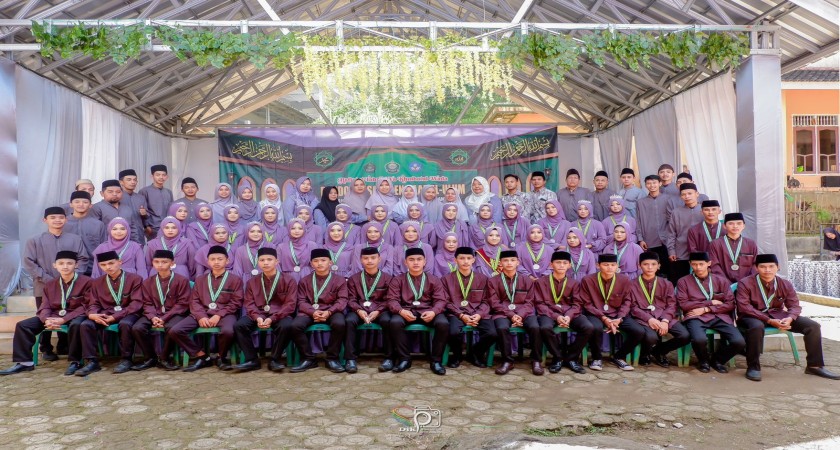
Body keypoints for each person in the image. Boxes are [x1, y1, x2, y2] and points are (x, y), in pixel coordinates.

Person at [736, 254, 840, 381]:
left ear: (778, 267)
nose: (767, 270)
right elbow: (744, 307)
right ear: (756, 268)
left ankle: (814, 366)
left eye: (771, 266)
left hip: (777, 315)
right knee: (756, 327)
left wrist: (790, 318)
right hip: (752, 316)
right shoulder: (745, 283)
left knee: (813, 326)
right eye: (763, 267)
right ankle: (753, 367)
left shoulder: (785, 284)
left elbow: (794, 305)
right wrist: (769, 320)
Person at [0, 251, 91, 376]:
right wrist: (46, 319)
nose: (65, 266)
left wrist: (64, 319)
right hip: (53, 316)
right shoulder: (50, 284)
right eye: (61, 263)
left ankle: (75, 361)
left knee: (76, 324)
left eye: (69, 263)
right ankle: (25, 363)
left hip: (75, 315)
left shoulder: (87, 282)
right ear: (55, 265)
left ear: (76, 265)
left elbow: (86, 306)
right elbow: (45, 306)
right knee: (23, 325)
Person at [23, 206, 89, 361]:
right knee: (44, 315)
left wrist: (73, 278)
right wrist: (48, 279)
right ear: (45, 220)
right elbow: (29, 262)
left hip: (71, 286)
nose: (57, 220)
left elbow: (83, 259)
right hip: (43, 285)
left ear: (66, 219)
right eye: (53, 217)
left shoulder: (75, 239)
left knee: (66, 311)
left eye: (61, 217)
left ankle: (63, 345)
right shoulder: (35, 240)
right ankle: (46, 348)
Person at [170, 245, 244, 372]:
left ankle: (221, 357)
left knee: (228, 331)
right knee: (175, 330)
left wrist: (219, 315)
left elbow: (236, 302)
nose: (216, 262)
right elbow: (194, 301)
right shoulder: (200, 280)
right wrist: (201, 316)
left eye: (220, 259)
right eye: (213, 259)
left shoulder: (235, 280)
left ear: (227, 261)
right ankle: (202, 357)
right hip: (202, 313)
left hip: (225, 314)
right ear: (208, 261)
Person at [676, 252, 745, 374]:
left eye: (701, 264)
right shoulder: (683, 281)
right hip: (695, 317)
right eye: (694, 264)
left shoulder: (721, 281)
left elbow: (730, 304)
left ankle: (717, 360)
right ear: (690, 264)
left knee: (739, 342)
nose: (698, 267)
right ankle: (704, 361)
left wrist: (707, 309)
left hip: (720, 316)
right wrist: (711, 302)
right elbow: (683, 305)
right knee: (699, 339)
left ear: (709, 263)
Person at [231, 247, 298, 373]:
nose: (265, 263)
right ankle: (252, 360)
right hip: (258, 314)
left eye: (269, 259)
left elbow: (290, 304)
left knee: (287, 326)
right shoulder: (252, 282)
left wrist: (272, 318)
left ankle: (274, 359)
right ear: (258, 262)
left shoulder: (289, 280)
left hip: (279, 315)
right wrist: (258, 317)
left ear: (277, 261)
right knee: (239, 325)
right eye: (262, 260)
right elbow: (249, 303)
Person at [79, 250, 144, 376]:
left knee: (125, 324)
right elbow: (93, 303)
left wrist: (115, 317)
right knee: (86, 324)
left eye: (111, 263)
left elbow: (136, 303)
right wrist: (93, 314)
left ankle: (126, 359)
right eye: (103, 265)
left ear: (120, 262)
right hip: (105, 313)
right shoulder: (97, 282)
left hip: (129, 313)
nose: (108, 267)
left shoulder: (135, 279)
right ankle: (92, 361)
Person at [387, 248, 449, 375]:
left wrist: (433, 312)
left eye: (419, 259)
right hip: (407, 311)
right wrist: (401, 311)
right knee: (395, 322)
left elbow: (441, 300)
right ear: (405, 262)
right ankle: (404, 359)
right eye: (411, 260)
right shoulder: (398, 280)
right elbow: (392, 300)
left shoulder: (434, 280)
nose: (415, 262)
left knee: (443, 323)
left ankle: (436, 361)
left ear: (424, 261)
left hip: (428, 311)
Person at [577, 254, 641, 371]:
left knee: (638, 331)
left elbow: (627, 301)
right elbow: (587, 303)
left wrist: (619, 318)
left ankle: (619, 356)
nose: (610, 268)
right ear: (598, 265)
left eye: (613, 265)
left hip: (617, 314)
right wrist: (603, 317)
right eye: (606, 265)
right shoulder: (588, 280)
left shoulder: (624, 280)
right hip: (596, 314)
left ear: (617, 266)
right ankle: (596, 358)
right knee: (594, 327)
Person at [289, 249, 348, 373]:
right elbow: (301, 301)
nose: (319, 263)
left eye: (323, 260)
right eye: (315, 261)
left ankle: (332, 358)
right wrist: (312, 312)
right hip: (310, 311)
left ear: (330, 262)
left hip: (332, 311)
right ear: (311, 264)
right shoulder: (304, 281)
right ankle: (308, 358)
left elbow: (342, 300)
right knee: (295, 326)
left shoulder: (340, 280)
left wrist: (329, 312)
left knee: (340, 323)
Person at [132, 249, 192, 371]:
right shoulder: (148, 282)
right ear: (152, 263)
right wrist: (152, 317)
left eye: (164, 262)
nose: (160, 265)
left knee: (171, 328)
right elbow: (147, 303)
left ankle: (164, 358)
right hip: (154, 314)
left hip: (175, 314)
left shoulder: (182, 280)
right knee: (137, 328)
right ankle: (150, 357)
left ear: (172, 263)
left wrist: (164, 318)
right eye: (156, 262)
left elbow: (182, 304)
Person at [532, 250, 592, 374]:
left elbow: (577, 304)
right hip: (548, 313)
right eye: (558, 262)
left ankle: (571, 358)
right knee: (545, 327)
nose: (561, 265)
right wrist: (556, 316)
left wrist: (568, 316)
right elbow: (539, 304)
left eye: (565, 263)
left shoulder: (574, 283)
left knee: (588, 327)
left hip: (570, 313)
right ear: (551, 264)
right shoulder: (540, 282)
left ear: (569, 265)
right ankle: (558, 357)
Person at [628, 252, 690, 367]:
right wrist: (650, 319)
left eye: (653, 264)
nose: (650, 267)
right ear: (639, 266)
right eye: (645, 264)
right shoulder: (631, 284)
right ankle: (644, 354)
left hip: (664, 316)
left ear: (659, 266)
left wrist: (665, 320)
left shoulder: (666, 284)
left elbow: (672, 304)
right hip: (643, 318)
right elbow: (632, 307)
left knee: (684, 335)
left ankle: (659, 351)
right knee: (651, 337)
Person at [488, 250, 543, 375]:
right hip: (502, 312)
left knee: (535, 327)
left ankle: (536, 360)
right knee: (502, 327)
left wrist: (520, 315)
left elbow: (530, 302)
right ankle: (507, 361)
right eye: (505, 260)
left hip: (525, 312)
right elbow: (494, 302)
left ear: (518, 262)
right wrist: (512, 315)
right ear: (500, 263)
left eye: (512, 260)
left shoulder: (527, 280)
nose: (509, 263)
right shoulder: (493, 281)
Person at [441, 247, 496, 368]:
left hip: (478, 313)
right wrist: (461, 315)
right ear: (455, 260)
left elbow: (487, 301)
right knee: (453, 332)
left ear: (473, 260)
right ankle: (457, 355)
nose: (465, 261)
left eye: (469, 258)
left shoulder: (483, 279)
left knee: (492, 333)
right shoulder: (446, 279)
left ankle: (474, 353)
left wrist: (479, 314)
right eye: (462, 258)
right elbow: (446, 301)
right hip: (456, 313)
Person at [345, 247, 395, 373]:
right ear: (361, 260)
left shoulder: (388, 278)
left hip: (380, 311)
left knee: (388, 321)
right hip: (359, 310)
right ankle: (350, 359)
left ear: (379, 259)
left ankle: (389, 358)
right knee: (349, 321)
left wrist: (378, 311)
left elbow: (390, 299)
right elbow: (351, 299)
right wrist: (358, 310)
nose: (369, 261)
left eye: (373, 258)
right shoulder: (353, 279)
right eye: (366, 258)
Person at [666, 183, 703, 283]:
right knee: (681, 281)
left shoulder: (704, 211)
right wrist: (671, 251)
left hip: (701, 251)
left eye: (690, 193)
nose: (687, 196)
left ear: (697, 194)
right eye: (683, 194)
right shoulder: (676, 212)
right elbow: (671, 233)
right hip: (681, 252)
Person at [709, 213, 758, 287]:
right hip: (723, 285)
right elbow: (714, 266)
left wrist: (746, 282)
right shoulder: (715, 244)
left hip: (747, 285)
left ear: (743, 226)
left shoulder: (751, 244)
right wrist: (726, 283)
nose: (735, 226)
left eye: (739, 223)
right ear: (724, 226)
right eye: (731, 223)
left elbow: (755, 265)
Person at [65, 191, 106, 276]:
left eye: (85, 202)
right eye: (77, 202)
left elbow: (104, 247)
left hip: (92, 268)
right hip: (67, 268)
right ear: (71, 204)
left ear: (90, 205)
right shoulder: (63, 223)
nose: (81, 204)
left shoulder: (98, 224)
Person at [636, 175, 670, 277]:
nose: (652, 185)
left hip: (667, 238)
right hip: (649, 239)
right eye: (649, 183)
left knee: (669, 268)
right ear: (645, 185)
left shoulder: (668, 199)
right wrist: (640, 239)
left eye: (654, 182)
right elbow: (638, 221)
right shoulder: (640, 202)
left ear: (660, 183)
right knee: (653, 269)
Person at [92, 179, 145, 245]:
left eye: (118, 192)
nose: (115, 194)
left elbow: (133, 229)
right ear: (102, 193)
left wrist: (136, 244)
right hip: (107, 246)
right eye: (110, 192)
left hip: (127, 246)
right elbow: (94, 231)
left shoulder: (127, 208)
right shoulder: (97, 208)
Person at [139, 164, 174, 237]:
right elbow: (142, 211)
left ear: (167, 177)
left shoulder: (168, 192)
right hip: (153, 228)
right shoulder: (144, 191)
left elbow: (172, 210)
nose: (161, 177)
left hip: (168, 227)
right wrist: (146, 226)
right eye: (158, 175)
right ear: (152, 176)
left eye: (163, 175)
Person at [118, 169, 150, 241]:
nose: (133, 182)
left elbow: (146, 217)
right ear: (121, 182)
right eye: (129, 180)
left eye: (135, 180)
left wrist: (144, 214)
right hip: (121, 233)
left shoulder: (140, 198)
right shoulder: (117, 197)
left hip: (138, 233)